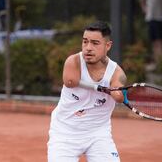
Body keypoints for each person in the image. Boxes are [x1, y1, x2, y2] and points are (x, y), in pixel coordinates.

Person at [47, 21, 127, 162]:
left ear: (107, 46)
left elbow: (118, 95)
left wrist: (116, 94)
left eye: (95, 43)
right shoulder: (74, 62)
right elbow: (69, 81)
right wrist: (102, 87)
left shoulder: (117, 73)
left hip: (98, 134)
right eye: (85, 42)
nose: (88, 48)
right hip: (65, 133)